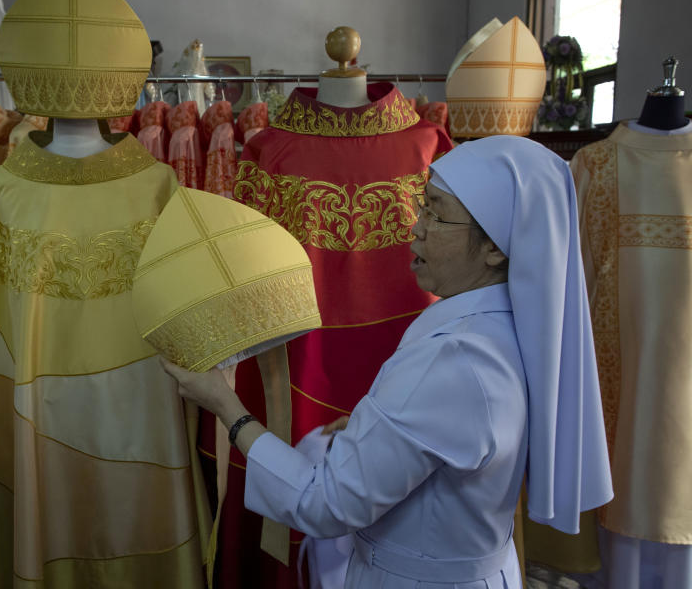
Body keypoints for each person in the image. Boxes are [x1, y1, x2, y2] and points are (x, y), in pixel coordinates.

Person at [163, 136, 614, 587]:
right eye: (423, 206)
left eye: (437, 213)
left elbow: (326, 503)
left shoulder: (456, 358)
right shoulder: (514, 325)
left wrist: (227, 407)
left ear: (495, 247)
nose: (415, 228)